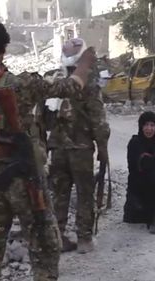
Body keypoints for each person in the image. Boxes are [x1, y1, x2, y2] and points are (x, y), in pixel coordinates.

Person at [0, 19, 96, 281]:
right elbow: (71, 86)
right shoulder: (22, 84)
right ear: (4, 49)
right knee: (45, 252)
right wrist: (84, 64)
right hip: (28, 184)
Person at [48, 38, 110, 254]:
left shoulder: (58, 80)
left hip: (57, 149)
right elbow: (97, 117)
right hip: (81, 149)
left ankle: (58, 237)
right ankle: (84, 239)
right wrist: (102, 146)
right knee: (84, 194)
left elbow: (46, 116)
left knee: (59, 195)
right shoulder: (89, 82)